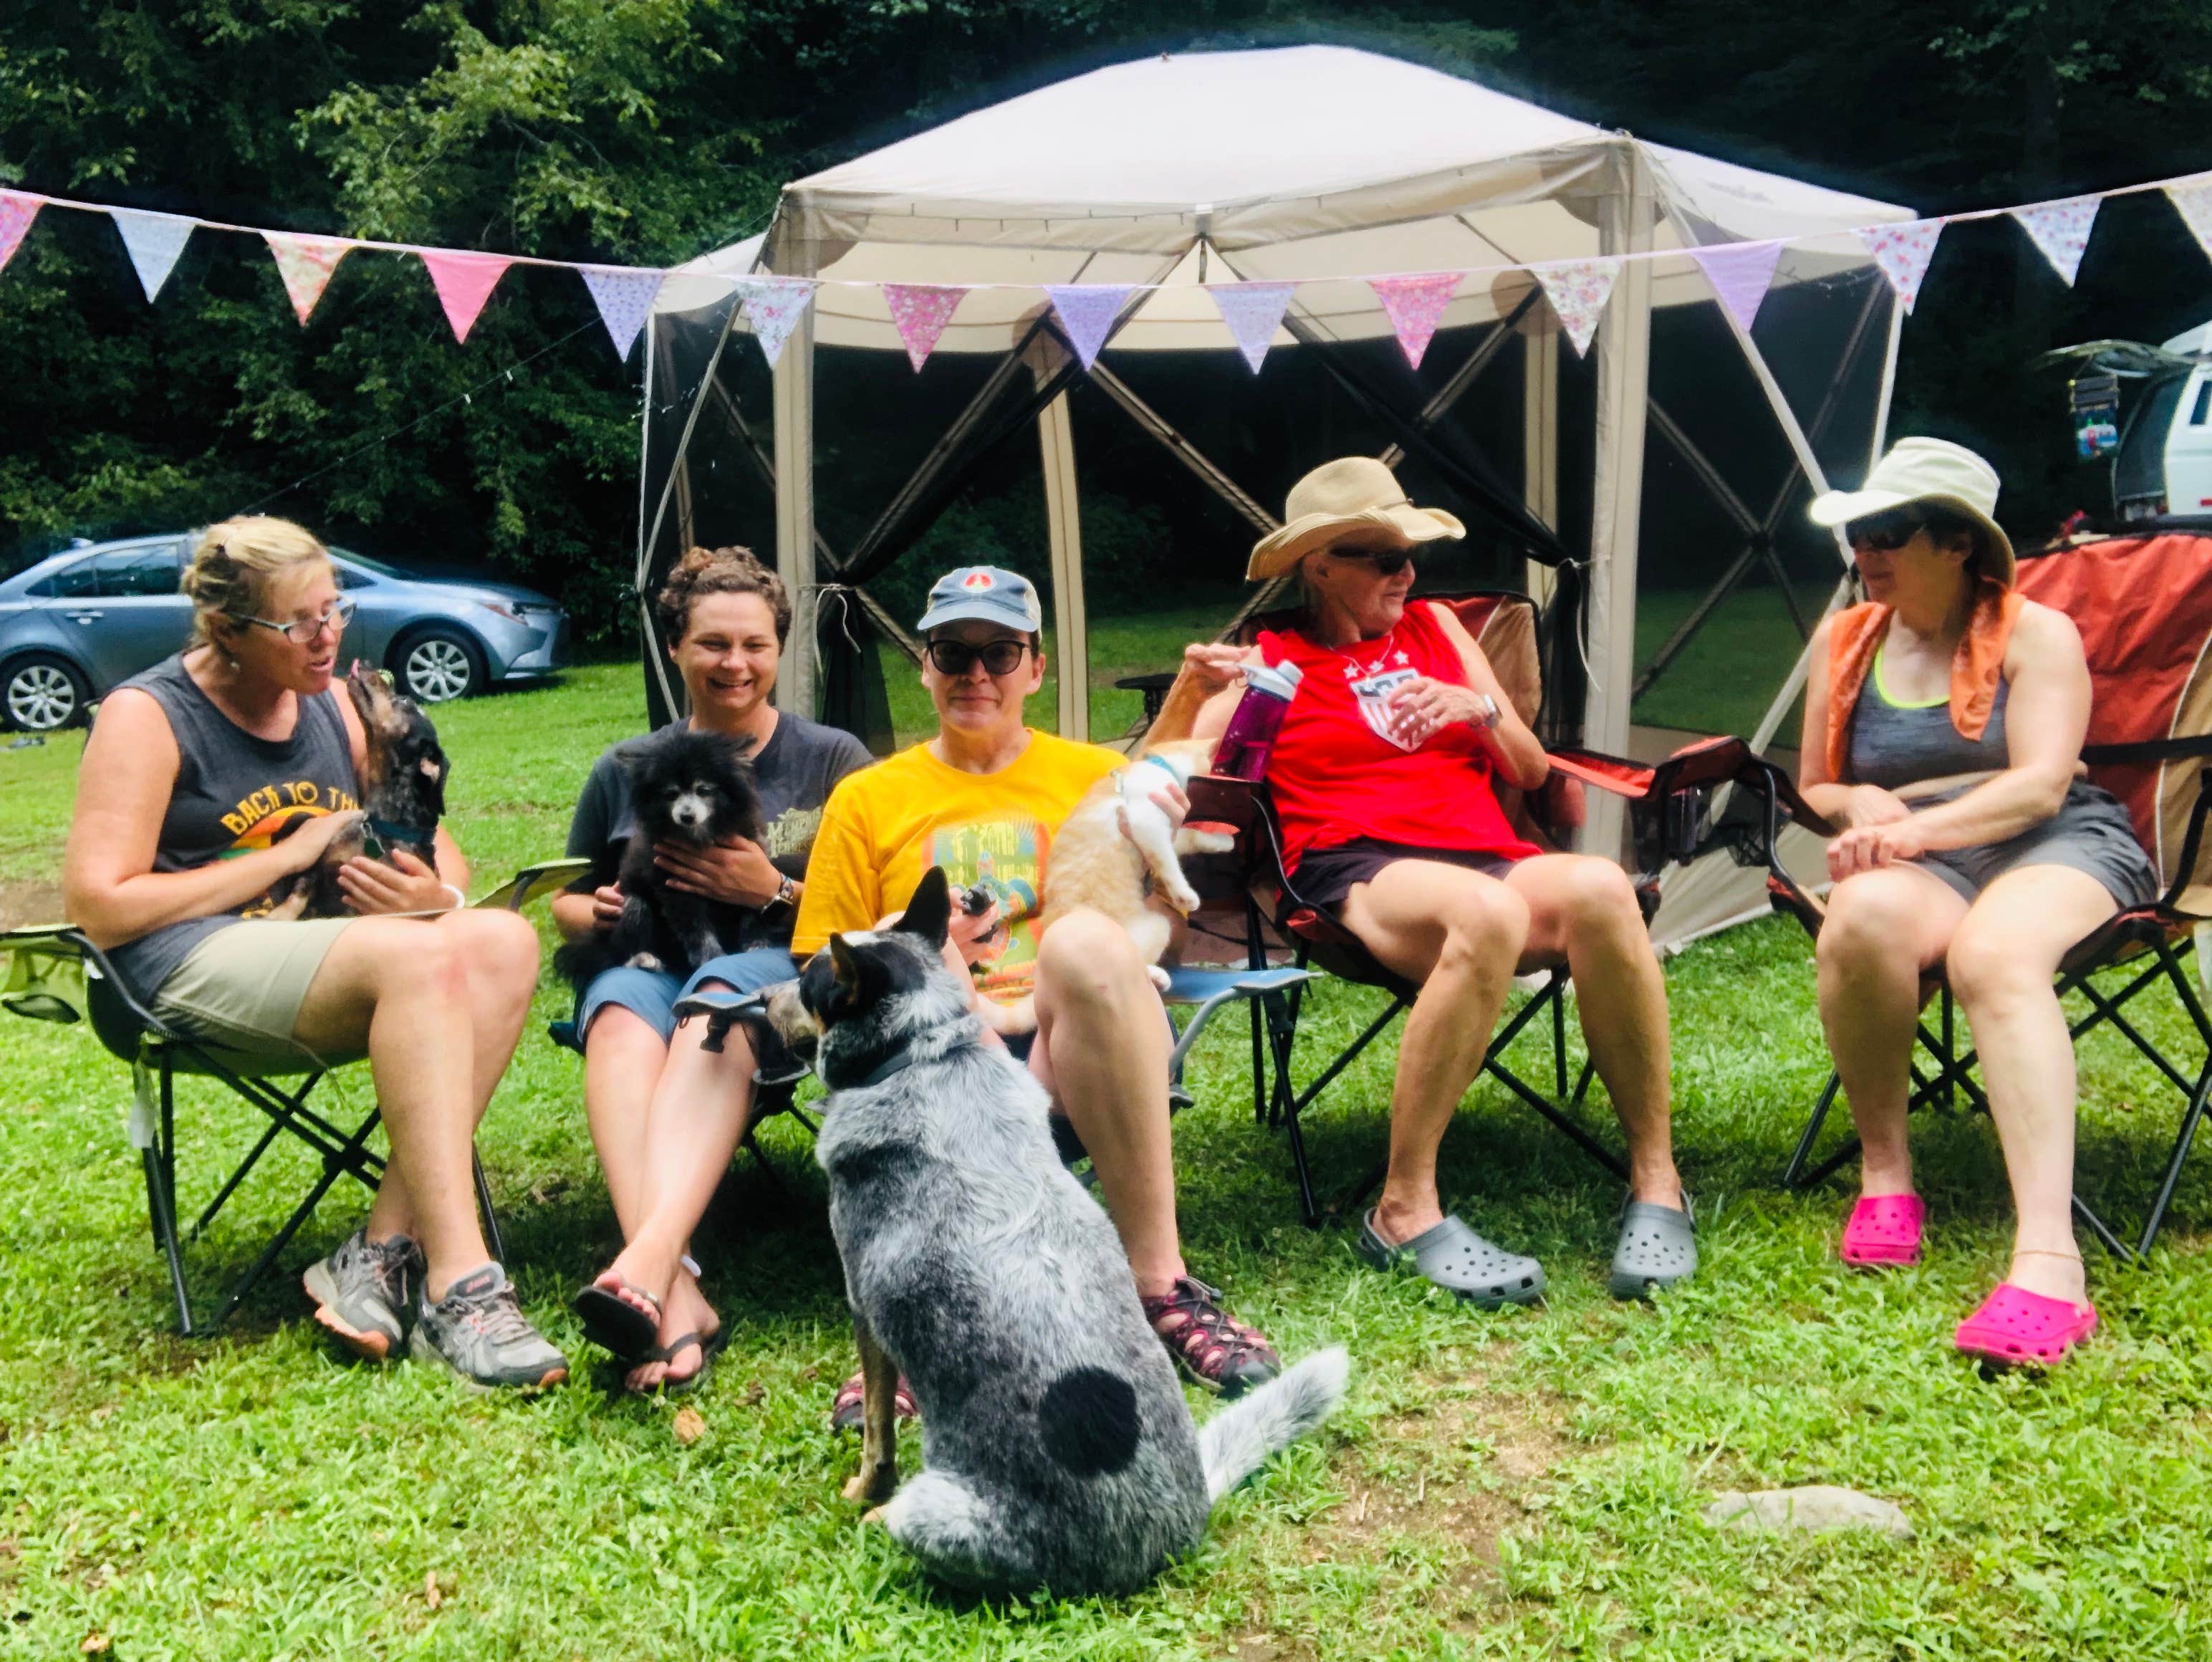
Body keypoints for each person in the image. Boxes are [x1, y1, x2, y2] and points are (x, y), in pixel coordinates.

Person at [60, 517, 564, 1388]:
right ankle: (459, 1283)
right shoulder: (147, 716)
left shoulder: (335, 701)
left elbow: (426, 839)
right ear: (226, 629)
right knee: (418, 959)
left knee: (503, 938)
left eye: (335, 608)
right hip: (174, 967)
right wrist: (288, 855)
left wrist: (432, 894)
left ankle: (375, 1253)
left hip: (329, 954)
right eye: (301, 623)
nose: (329, 635)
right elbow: (100, 906)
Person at [1181, 456, 1693, 1306]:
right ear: (1320, 565)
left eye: (1410, 556)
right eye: (1383, 558)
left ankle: (1656, 1177)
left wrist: (1477, 710)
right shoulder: (1272, 661)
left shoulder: (1436, 630)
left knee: (1602, 887)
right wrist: (1196, 696)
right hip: (1355, 865)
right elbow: (1188, 775)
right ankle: (1403, 1208)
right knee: (1485, 912)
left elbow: (1529, 770)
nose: (1406, 574)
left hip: (1483, 853)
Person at [796, 564, 1285, 1422]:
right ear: (924, 664)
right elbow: (820, 970)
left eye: (998, 652)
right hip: (936, 1054)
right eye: (953, 651)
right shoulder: (866, 797)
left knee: (1087, 939)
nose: (974, 673)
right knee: (912, 954)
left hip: (1074, 1037)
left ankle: (1158, 1282)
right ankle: (916, 1329)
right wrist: (916, 942)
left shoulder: (1092, 772)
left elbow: (1157, 886)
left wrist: (1199, 696)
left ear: (1036, 668)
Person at [1797, 437, 2153, 1367]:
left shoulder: (2037, 634)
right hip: (1934, 863)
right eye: (1858, 533)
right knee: (1861, 916)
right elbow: (1814, 787)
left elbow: (2040, 787)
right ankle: (1885, 1175)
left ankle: (2048, 1259)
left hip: (2056, 844)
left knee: (1994, 955)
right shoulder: (1844, 640)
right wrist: (1856, 801)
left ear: (1957, 544)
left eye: (1887, 531)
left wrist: (1913, 829)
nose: (1865, 551)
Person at [557, 546, 870, 1391]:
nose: (736, 664)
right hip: (651, 951)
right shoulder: (627, 765)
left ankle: (648, 1269)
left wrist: (772, 887)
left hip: (774, 968)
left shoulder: (833, 758)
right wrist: (591, 913)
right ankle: (672, 1286)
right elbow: (567, 893)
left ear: (780, 649)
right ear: (676, 649)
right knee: (620, 1009)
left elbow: (875, 914)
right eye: (713, 644)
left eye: (755, 645)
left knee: (714, 1003)